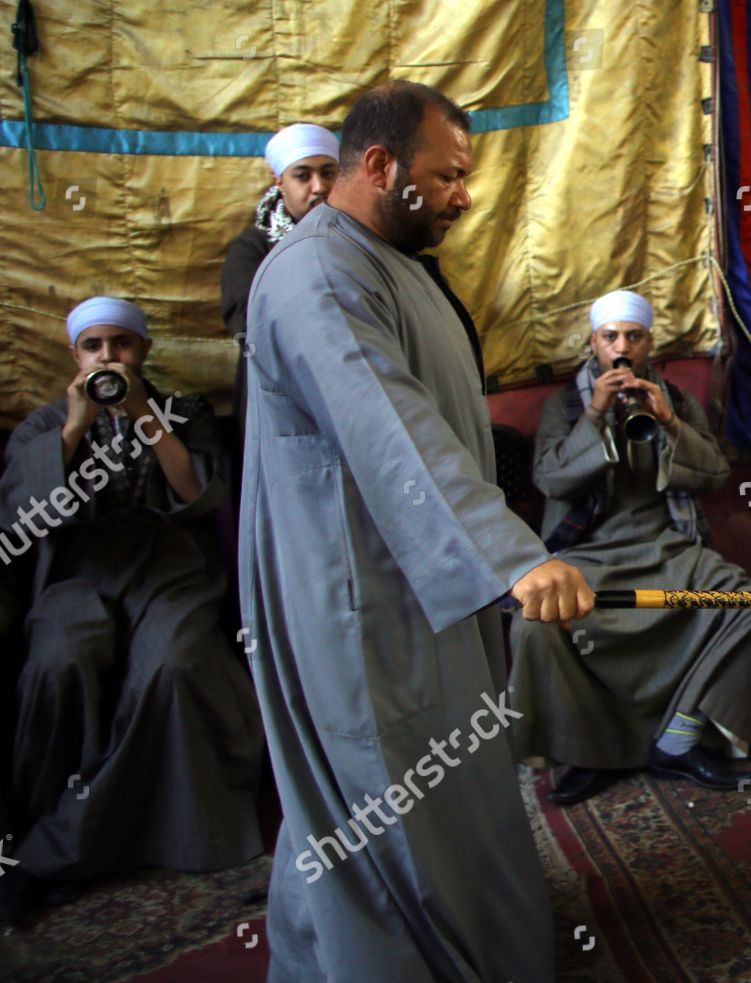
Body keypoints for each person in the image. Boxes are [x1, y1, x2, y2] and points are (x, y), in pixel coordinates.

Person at [240, 81, 593, 981]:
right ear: (377, 165)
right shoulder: (318, 273)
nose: (464, 196)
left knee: (400, 798)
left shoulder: (390, 262)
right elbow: (386, 424)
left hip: (418, 577)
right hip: (358, 596)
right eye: (448, 176)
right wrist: (514, 556)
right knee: (383, 801)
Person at [0, 297, 263, 926]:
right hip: (78, 570)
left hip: (166, 565)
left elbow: (199, 496)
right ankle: (56, 827)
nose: (108, 357)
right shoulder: (44, 423)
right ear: (76, 356)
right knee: (60, 662)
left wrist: (143, 413)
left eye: (121, 344)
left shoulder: (184, 411)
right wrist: (75, 425)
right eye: (95, 346)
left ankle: (129, 835)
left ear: (141, 351)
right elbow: (26, 518)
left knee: (174, 664)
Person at [508, 289, 751, 805]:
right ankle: (587, 752)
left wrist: (669, 422)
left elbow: (716, 473)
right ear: (594, 345)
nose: (621, 347)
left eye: (634, 336)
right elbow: (550, 480)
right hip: (588, 554)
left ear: (650, 343)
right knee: (534, 627)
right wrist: (596, 416)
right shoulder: (565, 405)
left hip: (668, 548)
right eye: (611, 338)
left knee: (750, 606)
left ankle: (679, 739)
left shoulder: (675, 400)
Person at [220, 124, 339, 450]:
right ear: (280, 182)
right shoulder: (254, 248)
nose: (320, 187)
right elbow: (247, 320)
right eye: (303, 176)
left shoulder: (362, 241)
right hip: (278, 397)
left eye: (329, 173)